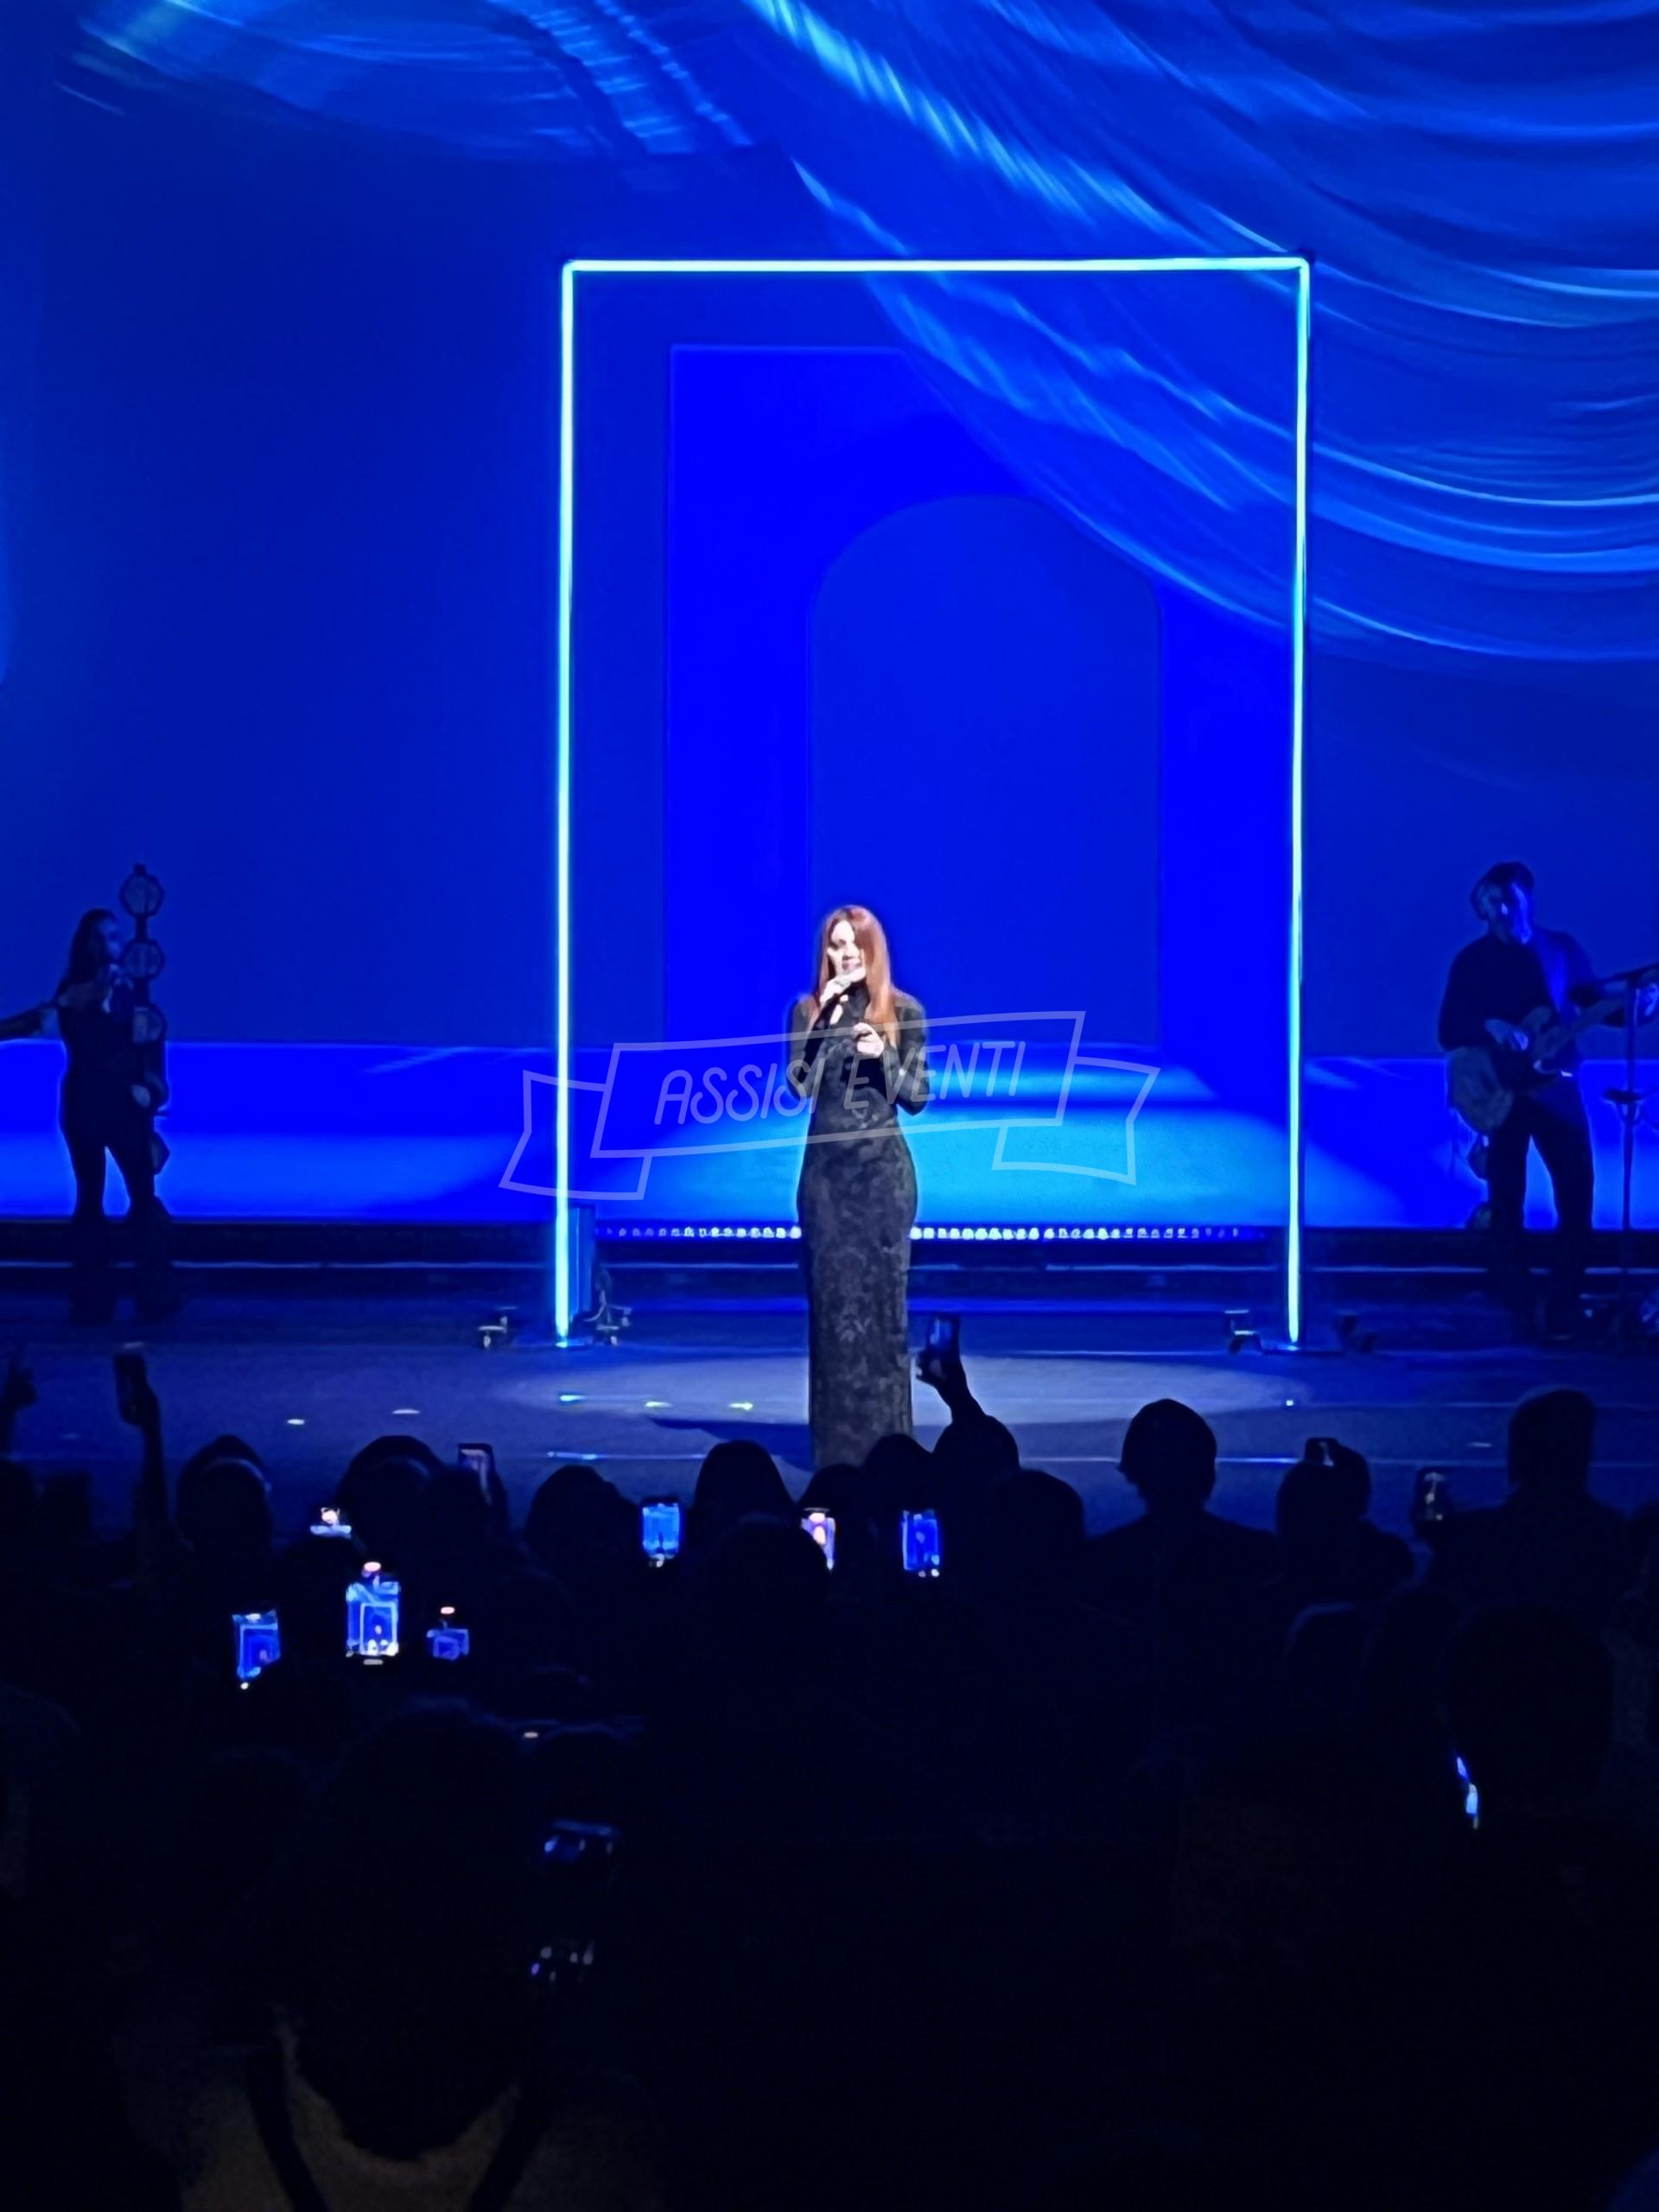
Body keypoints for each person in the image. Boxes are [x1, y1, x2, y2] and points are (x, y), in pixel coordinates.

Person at [1438, 861, 1656, 1338]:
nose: (1501, 911)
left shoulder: (1561, 951)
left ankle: (1563, 1306)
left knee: (1577, 1200)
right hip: (1504, 1093)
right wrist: (1492, 1026)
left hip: (1558, 1090)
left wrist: (1640, 1008)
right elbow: (1449, 1028)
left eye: (1509, 901)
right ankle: (1519, 1306)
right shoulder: (1472, 961)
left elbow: (1596, 1004)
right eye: (1492, 903)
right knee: (1506, 1204)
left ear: (1529, 900)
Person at [786, 906, 930, 1470]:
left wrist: (884, 1056)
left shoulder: (904, 1011)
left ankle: (890, 1452)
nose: (844, 955)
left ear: (872, 951)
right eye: (835, 945)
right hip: (827, 1183)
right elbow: (798, 1087)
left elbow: (917, 1097)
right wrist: (824, 1021)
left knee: (883, 1315)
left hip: (882, 1180)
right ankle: (836, 1453)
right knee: (831, 1314)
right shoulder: (806, 1011)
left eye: (853, 945)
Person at [54, 909, 175, 1324]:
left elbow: (151, 1042)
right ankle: (92, 1298)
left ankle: (154, 1291)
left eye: (115, 936)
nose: (113, 944)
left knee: (142, 1193)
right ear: (89, 945)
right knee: (91, 1196)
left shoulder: (132, 993)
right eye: (104, 937)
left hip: (126, 1109)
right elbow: (86, 1043)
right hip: (88, 1105)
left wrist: (151, 1089)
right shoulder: (74, 992)